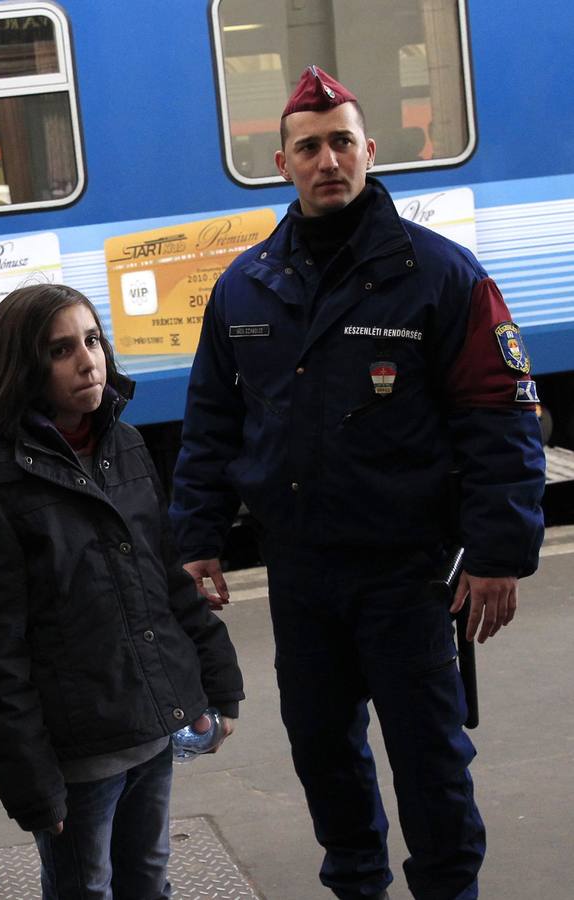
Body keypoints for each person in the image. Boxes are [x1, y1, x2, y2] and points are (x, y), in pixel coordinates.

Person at [170, 66, 545, 900]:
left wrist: (498, 550)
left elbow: (501, 417)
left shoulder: (442, 276)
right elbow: (211, 423)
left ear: (372, 152)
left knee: (430, 755)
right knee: (321, 751)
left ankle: (448, 890)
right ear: (282, 164)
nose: (327, 158)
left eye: (342, 142)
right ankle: (358, 888)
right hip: (302, 574)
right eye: (309, 146)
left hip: (408, 574)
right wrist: (195, 537)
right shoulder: (245, 286)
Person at [0, 284, 243, 899]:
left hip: (151, 721)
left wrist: (216, 679)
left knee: (147, 880)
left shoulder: (123, 444)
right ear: (23, 366)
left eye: (93, 340)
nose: (88, 360)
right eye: (61, 349)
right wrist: (30, 778)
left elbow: (166, 575)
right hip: (77, 751)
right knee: (85, 887)